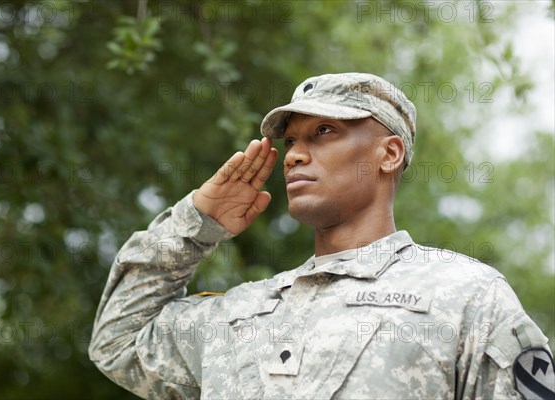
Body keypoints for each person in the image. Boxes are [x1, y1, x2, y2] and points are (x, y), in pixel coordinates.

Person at [89, 73, 554, 399]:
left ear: (388, 154)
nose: (294, 156)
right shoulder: (238, 313)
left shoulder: (465, 297)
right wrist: (195, 225)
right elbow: (117, 342)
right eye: (292, 141)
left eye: (325, 131)